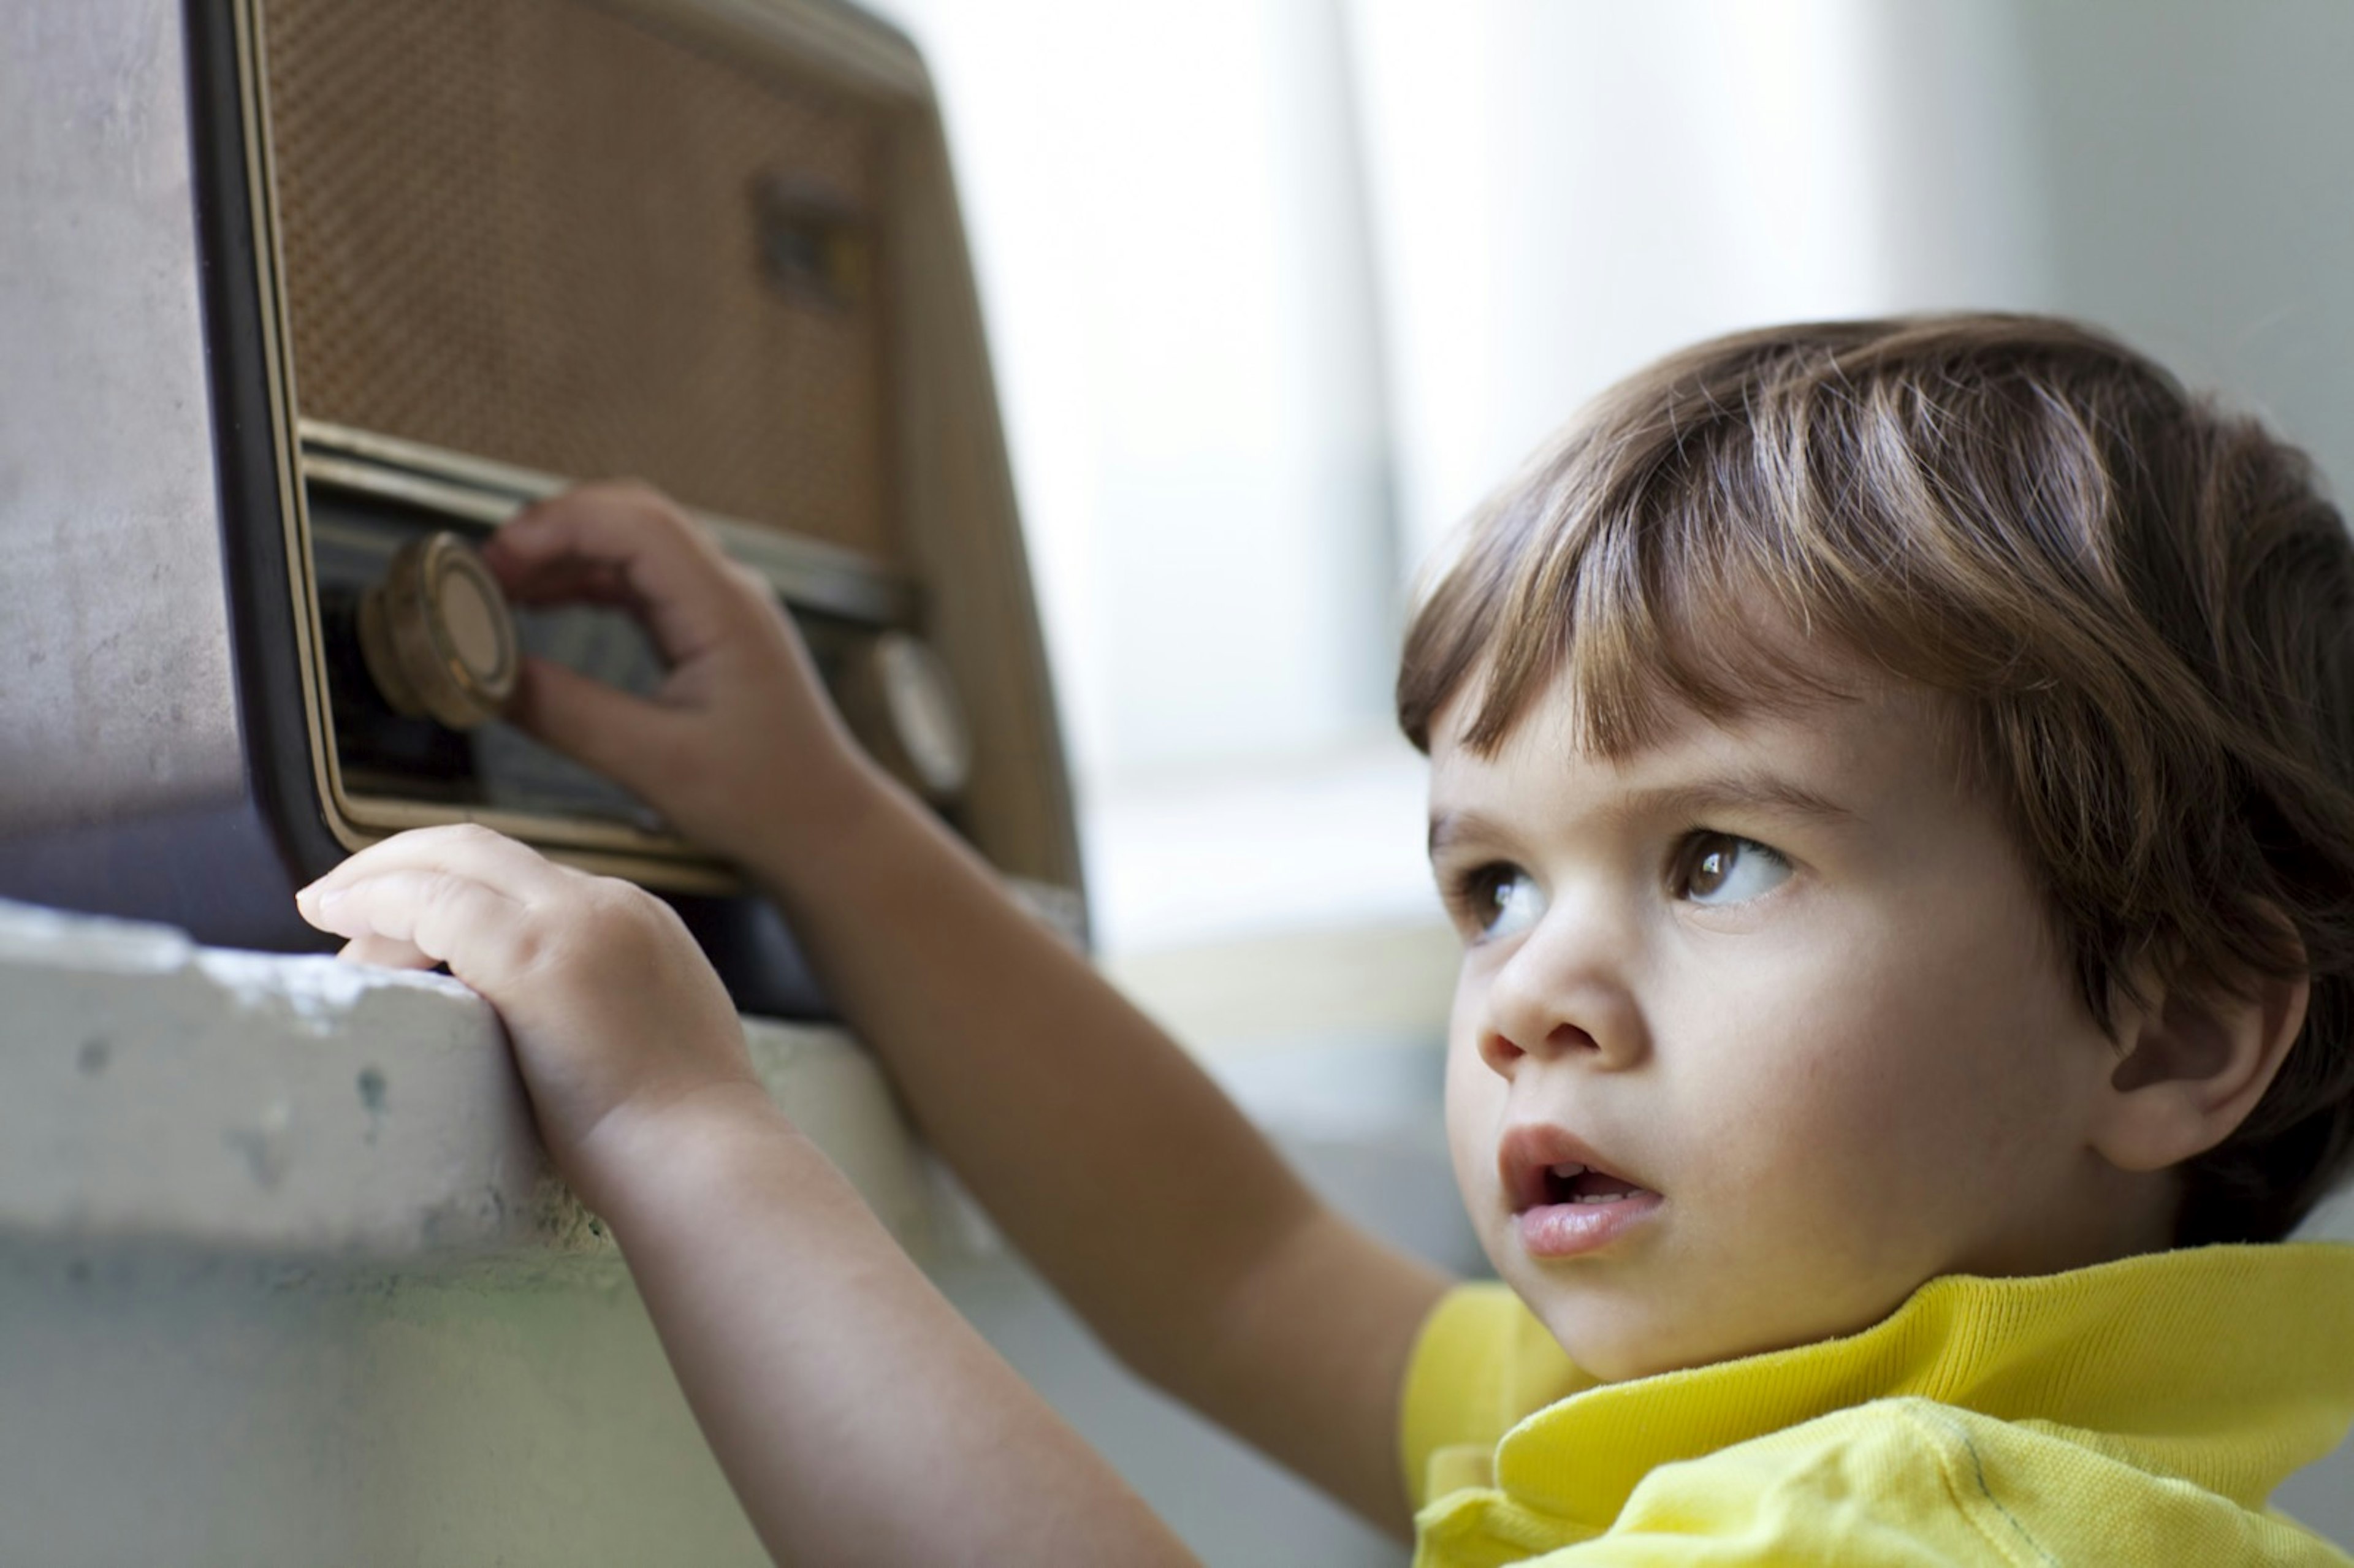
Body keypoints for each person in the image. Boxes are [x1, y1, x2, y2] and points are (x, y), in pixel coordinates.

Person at [295, 314, 2354, 1566]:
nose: (1536, 994)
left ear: (2170, 1032)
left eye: (1719, 859)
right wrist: (829, 823)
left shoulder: (1915, 1530)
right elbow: (1229, 1257)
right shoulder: (1774, 1435)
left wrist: (688, 1133)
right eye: (1493, 886)